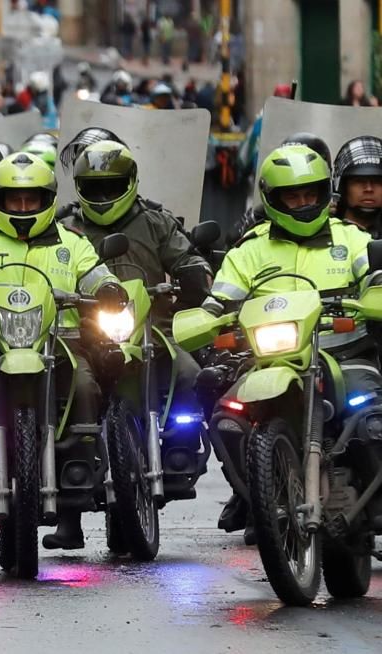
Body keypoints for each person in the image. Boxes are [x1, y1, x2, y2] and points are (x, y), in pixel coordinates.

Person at [0, 152, 126, 544]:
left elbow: (97, 274)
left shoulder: (71, 242)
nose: (24, 207)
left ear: (47, 200)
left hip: (58, 340)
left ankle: (80, 463)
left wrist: (107, 289)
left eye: (32, 200)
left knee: (86, 385)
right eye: (15, 200)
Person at [205, 144, 382, 538]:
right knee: (228, 417)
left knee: (371, 418)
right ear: (273, 198)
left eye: (310, 194)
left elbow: (373, 273)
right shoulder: (250, 249)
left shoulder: (351, 238)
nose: (302, 203)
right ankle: (260, 500)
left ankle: (375, 503)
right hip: (271, 360)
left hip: (344, 352)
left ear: (324, 194)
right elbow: (220, 298)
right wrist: (207, 314)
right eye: (292, 195)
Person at [59, 139, 209, 453]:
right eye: (93, 187)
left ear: (130, 183)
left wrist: (194, 274)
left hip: (154, 332)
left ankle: (180, 447)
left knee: (191, 375)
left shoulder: (156, 222)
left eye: (112, 187)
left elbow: (188, 257)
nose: (103, 197)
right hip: (83, 336)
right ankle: (75, 452)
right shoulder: (65, 228)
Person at [332, 135, 382, 236]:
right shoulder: (325, 233)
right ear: (343, 187)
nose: (368, 189)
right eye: (359, 181)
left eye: (377, 181)